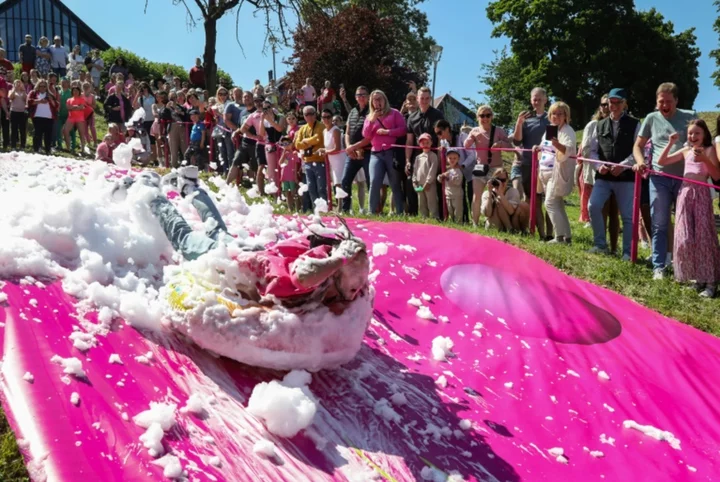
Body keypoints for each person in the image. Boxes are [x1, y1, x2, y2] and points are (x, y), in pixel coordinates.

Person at [633, 82, 697, 280]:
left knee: (685, 224)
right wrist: (641, 161)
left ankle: (686, 267)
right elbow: (638, 145)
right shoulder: (651, 118)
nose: (665, 105)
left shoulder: (690, 116)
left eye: (669, 101)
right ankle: (658, 266)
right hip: (658, 177)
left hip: (684, 178)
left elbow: (701, 142)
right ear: (656, 101)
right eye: (661, 101)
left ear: (676, 100)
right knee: (659, 222)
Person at [658, 120, 720, 298]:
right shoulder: (686, 150)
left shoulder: (709, 151)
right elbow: (662, 161)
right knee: (685, 236)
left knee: (703, 237)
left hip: (701, 195)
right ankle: (696, 278)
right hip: (684, 194)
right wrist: (670, 143)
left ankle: (710, 282)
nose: (693, 137)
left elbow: (716, 176)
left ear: (704, 134)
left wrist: (705, 159)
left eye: (697, 133)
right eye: (691, 133)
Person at [586, 88, 640, 260]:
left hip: (626, 178)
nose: (614, 105)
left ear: (625, 104)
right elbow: (593, 151)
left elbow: (638, 150)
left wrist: (623, 166)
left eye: (618, 102)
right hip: (603, 177)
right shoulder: (599, 125)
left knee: (627, 216)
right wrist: (599, 165)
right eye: (611, 102)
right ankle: (600, 245)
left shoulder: (635, 123)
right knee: (593, 206)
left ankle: (627, 252)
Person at [534, 101, 577, 244]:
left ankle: (558, 237)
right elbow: (544, 146)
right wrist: (537, 147)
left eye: (560, 114)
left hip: (556, 172)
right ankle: (567, 237)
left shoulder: (567, 130)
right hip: (544, 171)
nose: (556, 116)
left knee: (550, 203)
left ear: (566, 116)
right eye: (553, 113)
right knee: (558, 204)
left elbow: (569, 149)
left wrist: (557, 144)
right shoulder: (550, 129)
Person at [464, 105, 512, 226]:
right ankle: (475, 223)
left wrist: (500, 143)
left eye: (488, 115)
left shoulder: (499, 130)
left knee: (498, 196)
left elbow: (510, 147)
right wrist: (472, 136)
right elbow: (466, 145)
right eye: (482, 115)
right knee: (477, 196)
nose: (485, 118)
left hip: (496, 169)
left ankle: (500, 223)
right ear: (478, 117)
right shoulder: (474, 130)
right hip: (480, 167)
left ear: (492, 116)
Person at [513, 87, 551, 237]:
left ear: (545, 100)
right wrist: (518, 123)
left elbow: (551, 141)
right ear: (531, 100)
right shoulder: (527, 120)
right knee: (534, 200)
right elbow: (517, 141)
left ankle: (551, 233)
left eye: (540, 99)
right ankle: (541, 233)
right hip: (528, 164)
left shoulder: (551, 118)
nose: (537, 102)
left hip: (547, 165)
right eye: (534, 99)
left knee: (549, 200)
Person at [361, 90, 406, 214]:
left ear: (385, 99)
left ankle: (400, 212)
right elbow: (366, 134)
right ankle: (372, 211)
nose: (377, 102)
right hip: (376, 153)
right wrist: (372, 120)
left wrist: (388, 132)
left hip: (391, 152)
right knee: (374, 181)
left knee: (395, 183)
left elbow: (403, 130)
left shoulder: (394, 113)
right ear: (371, 102)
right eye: (375, 99)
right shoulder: (369, 117)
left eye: (380, 99)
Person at [405, 86, 445, 216]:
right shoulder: (411, 118)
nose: (424, 101)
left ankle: (437, 216)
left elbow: (441, 138)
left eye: (427, 98)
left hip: (433, 155)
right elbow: (410, 141)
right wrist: (407, 161)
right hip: (418, 157)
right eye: (422, 98)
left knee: (433, 186)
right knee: (413, 182)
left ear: (430, 99)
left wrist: (439, 160)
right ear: (417, 99)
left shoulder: (437, 115)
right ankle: (416, 213)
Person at [339, 85, 371, 213]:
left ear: (368, 97)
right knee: (345, 180)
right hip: (351, 153)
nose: (361, 97)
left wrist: (355, 147)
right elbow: (347, 132)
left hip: (367, 152)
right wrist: (348, 148)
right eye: (358, 95)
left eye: (363, 95)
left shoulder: (371, 112)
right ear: (356, 97)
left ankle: (373, 210)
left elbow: (370, 136)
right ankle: (346, 209)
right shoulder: (352, 112)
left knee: (370, 181)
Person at [578, 95, 609, 225]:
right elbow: (585, 147)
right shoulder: (593, 125)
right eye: (603, 105)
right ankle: (590, 219)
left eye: (609, 104)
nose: (606, 108)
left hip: (609, 167)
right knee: (591, 193)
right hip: (592, 165)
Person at [294, 105, 327, 204]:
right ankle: (316, 209)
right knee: (311, 187)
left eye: (311, 114)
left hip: (319, 161)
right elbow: (297, 144)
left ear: (315, 115)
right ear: (303, 116)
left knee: (321, 188)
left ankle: (324, 209)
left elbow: (317, 139)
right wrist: (308, 142)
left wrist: (304, 141)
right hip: (307, 162)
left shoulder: (321, 125)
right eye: (306, 114)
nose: (308, 116)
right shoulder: (302, 128)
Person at [481, 168, 530, 232]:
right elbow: (487, 213)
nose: (500, 183)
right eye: (497, 180)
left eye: (503, 180)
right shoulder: (487, 193)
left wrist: (501, 194)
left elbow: (511, 211)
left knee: (524, 205)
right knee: (498, 201)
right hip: (495, 225)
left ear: (507, 180)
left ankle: (519, 231)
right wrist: (490, 193)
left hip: (512, 222)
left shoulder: (513, 191)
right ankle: (509, 230)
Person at [257, 99, 286, 194]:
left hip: (282, 145)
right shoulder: (264, 120)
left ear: (272, 107)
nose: (267, 110)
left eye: (268, 107)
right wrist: (262, 120)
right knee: (272, 170)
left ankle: (285, 191)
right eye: (264, 108)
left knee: (283, 168)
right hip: (270, 146)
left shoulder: (280, 117)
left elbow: (280, 128)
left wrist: (270, 120)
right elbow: (261, 134)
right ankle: (275, 193)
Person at [317, 109, 344, 209]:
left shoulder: (336, 130)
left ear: (332, 117)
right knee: (334, 182)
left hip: (339, 158)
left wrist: (325, 151)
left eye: (328, 117)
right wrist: (323, 149)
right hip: (331, 158)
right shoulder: (324, 131)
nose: (326, 119)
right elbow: (329, 147)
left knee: (338, 182)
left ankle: (340, 206)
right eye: (324, 117)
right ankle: (338, 204)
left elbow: (337, 148)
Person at [27, 79, 58, 154]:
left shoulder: (50, 95)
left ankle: (48, 150)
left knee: (48, 135)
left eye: (44, 86)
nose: (43, 88)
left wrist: (51, 100)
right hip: (37, 116)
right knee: (37, 134)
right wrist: (39, 101)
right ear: (38, 86)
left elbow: (56, 106)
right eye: (41, 86)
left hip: (49, 117)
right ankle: (36, 149)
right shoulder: (33, 93)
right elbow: (29, 102)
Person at [413, 133, 439, 218]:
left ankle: (435, 217)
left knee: (432, 202)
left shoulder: (433, 156)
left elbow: (433, 170)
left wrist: (428, 182)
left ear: (431, 142)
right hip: (420, 184)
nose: (425, 145)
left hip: (429, 185)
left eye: (427, 142)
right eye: (423, 143)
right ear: (420, 144)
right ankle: (424, 217)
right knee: (422, 202)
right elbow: (415, 170)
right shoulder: (418, 157)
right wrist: (414, 181)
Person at [437, 148, 464, 222]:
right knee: (450, 211)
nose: (452, 160)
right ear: (447, 159)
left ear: (458, 159)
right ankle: (452, 223)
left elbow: (458, 182)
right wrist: (441, 176)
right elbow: (439, 180)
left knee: (457, 211)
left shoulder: (458, 171)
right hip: (448, 194)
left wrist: (448, 177)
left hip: (457, 195)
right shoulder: (447, 170)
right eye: (450, 158)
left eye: (455, 158)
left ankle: (459, 224)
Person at [63, 86, 88, 155]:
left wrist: (73, 107)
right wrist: (76, 107)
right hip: (71, 117)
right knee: (65, 130)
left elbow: (81, 107)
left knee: (81, 133)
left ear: (79, 92)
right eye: (74, 91)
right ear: (72, 92)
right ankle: (68, 148)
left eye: (77, 91)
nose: (75, 92)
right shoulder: (69, 99)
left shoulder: (81, 99)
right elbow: (68, 107)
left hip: (80, 118)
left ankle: (83, 149)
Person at [279, 135, 301, 212]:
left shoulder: (294, 154)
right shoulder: (284, 154)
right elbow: (280, 163)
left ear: (291, 144)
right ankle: (290, 207)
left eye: (287, 143)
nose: (285, 146)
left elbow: (295, 166)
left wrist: (295, 177)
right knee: (287, 193)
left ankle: (297, 207)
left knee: (293, 192)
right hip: (284, 176)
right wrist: (283, 155)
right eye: (283, 144)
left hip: (291, 176)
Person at [9, 80, 28, 150]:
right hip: (14, 112)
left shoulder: (23, 92)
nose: (18, 84)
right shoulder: (11, 91)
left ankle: (22, 145)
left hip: (22, 112)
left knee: (22, 129)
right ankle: (13, 145)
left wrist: (23, 91)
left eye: (19, 83)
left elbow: (26, 99)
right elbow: (10, 97)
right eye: (16, 83)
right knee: (14, 129)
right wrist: (14, 89)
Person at [82, 81, 98, 147]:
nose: (86, 88)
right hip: (83, 114)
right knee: (85, 129)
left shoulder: (92, 96)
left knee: (92, 127)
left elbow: (95, 106)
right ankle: (88, 142)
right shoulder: (81, 95)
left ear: (90, 88)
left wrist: (89, 104)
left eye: (87, 86)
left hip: (91, 113)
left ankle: (95, 142)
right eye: (84, 86)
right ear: (82, 87)